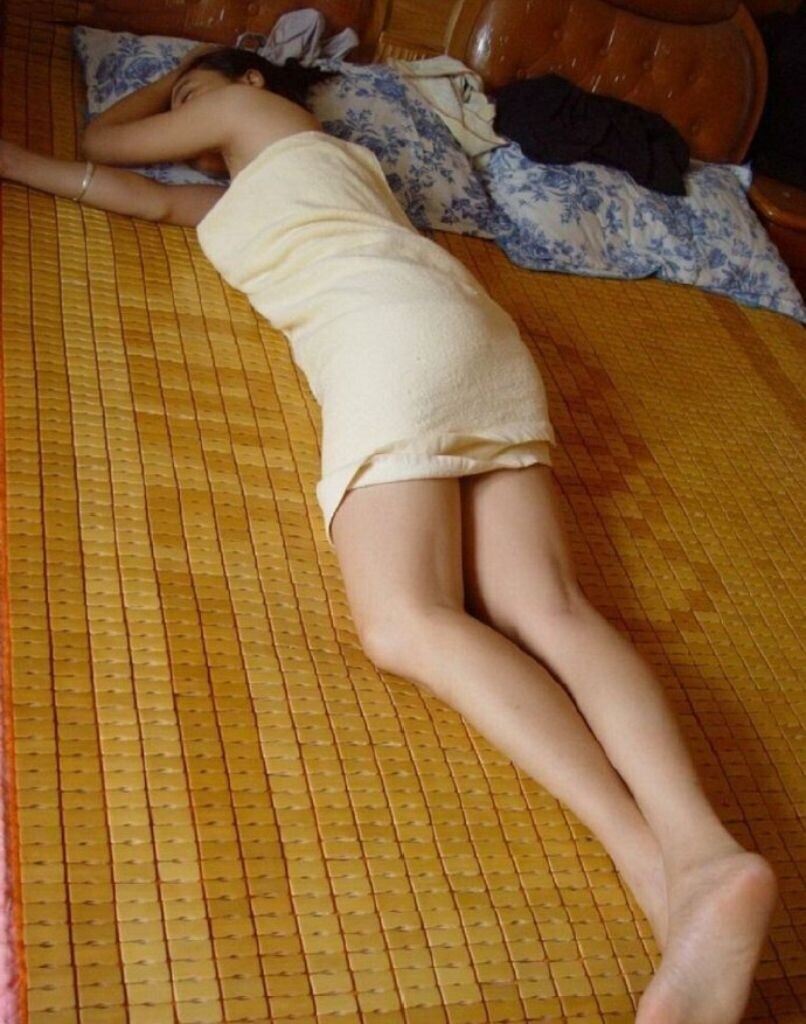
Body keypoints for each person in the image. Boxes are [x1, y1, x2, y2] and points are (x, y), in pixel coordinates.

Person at [0, 43, 779, 1024]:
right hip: (470, 329)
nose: (184, 119)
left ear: (248, 85)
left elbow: (101, 139)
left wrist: (181, 72)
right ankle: (701, 855)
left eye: (195, 98)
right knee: (548, 607)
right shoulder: (280, 183)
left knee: (405, 620)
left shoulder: (253, 115)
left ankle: (644, 857)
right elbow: (136, 195)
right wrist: (20, 166)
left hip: (385, 334)